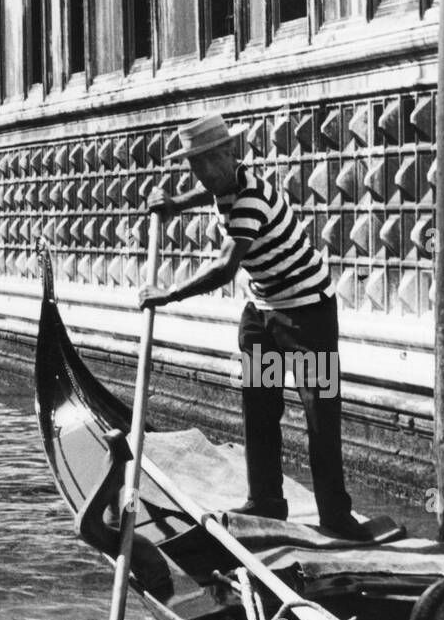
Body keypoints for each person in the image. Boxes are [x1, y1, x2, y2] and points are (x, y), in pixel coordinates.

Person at [139, 113, 370, 541]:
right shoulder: (224, 184)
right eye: (196, 165)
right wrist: (174, 206)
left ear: (232, 154)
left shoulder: (250, 200)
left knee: (320, 413)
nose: (204, 172)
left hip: (306, 316)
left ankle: (336, 515)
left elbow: (226, 268)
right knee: (260, 405)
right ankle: (267, 499)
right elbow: (208, 190)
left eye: (211, 161)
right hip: (264, 312)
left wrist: (167, 295)